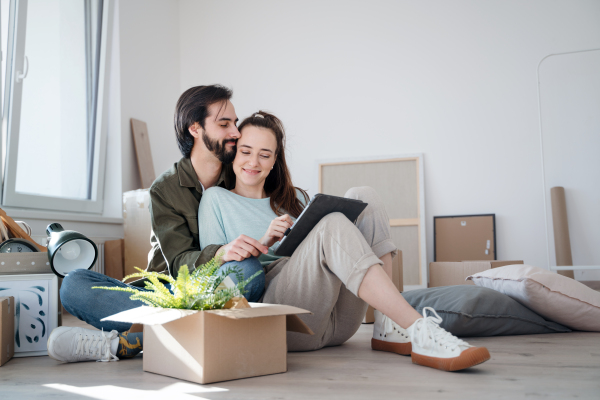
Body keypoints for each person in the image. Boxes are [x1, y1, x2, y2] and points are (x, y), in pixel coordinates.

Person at [197, 111, 491, 372]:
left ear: (274, 161)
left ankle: (387, 324)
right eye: (245, 151)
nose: (253, 161)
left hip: (337, 322)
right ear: (233, 154)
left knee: (364, 196)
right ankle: (419, 329)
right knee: (332, 224)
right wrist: (264, 243)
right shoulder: (216, 199)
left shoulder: (294, 199)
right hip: (286, 322)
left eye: (264, 154)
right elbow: (216, 274)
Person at [47, 85, 268, 363]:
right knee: (73, 285)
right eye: (224, 124)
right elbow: (178, 264)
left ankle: (133, 342)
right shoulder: (164, 189)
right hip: (167, 291)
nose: (235, 132)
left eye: (235, 123)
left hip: (217, 287)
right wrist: (221, 251)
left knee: (249, 271)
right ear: (195, 129)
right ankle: (188, 333)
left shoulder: (241, 169)